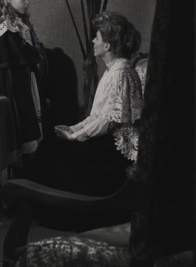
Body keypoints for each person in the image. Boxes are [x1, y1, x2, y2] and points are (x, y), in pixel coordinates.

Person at [30, 10, 143, 198]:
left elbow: (109, 123)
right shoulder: (112, 70)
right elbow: (96, 117)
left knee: (55, 150)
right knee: (51, 143)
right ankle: (39, 200)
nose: (93, 41)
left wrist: (75, 137)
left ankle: (53, 204)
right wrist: (73, 129)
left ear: (106, 45)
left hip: (114, 148)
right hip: (107, 138)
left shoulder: (121, 73)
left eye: (96, 38)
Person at [0, 0, 46, 158]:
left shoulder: (21, 25)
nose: (27, 2)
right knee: (19, 127)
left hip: (26, 82)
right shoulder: (3, 29)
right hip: (12, 86)